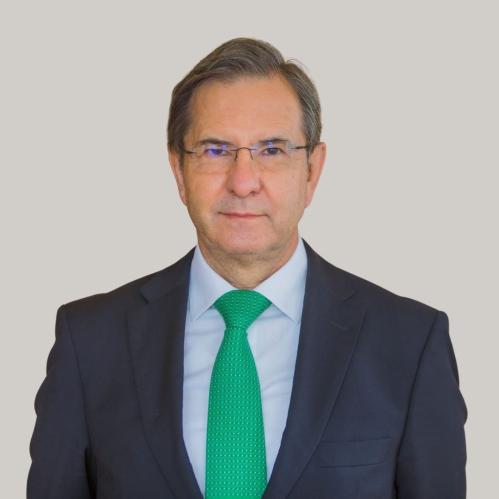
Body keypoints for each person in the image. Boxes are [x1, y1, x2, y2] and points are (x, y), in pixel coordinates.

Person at [27, 37, 467, 498]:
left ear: (312, 170)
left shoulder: (409, 344)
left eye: (271, 150)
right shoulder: (91, 342)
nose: (242, 182)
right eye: (215, 150)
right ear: (178, 171)